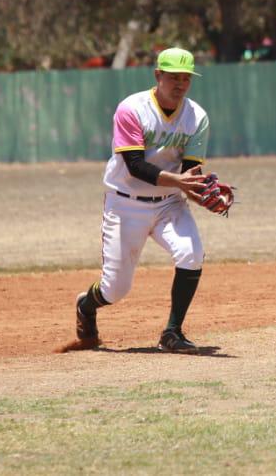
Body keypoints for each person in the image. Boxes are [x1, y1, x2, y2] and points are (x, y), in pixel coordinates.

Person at [73, 46, 218, 353]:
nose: (180, 83)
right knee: (115, 290)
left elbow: (191, 170)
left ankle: (172, 332)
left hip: (168, 203)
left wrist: (200, 191)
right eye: (173, 77)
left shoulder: (197, 116)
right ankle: (86, 306)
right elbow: (135, 166)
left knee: (191, 254)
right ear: (158, 75)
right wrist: (180, 181)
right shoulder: (132, 109)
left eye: (186, 78)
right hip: (126, 204)